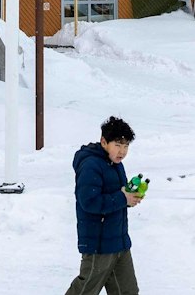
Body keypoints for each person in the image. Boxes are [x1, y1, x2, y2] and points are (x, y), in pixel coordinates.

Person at [66, 116, 141, 295]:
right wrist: (122, 198)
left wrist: (129, 198)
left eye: (126, 146)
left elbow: (116, 195)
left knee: (128, 291)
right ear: (104, 142)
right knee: (85, 290)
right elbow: (89, 201)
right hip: (98, 244)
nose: (122, 151)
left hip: (119, 241)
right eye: (118, 145)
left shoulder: (116, 164)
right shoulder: (90, 165)